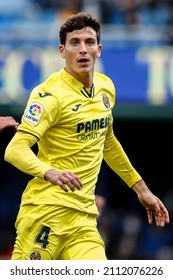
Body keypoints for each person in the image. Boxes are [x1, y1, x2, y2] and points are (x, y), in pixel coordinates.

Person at [4, 12, 169, 260]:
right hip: (45, 213)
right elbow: (14, 150)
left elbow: (108, 142)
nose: (83, 49)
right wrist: (50, 172)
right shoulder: (49, 96)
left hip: (83, 220)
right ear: (62, 50)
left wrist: (141, 190)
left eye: (89, 42)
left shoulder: (105, 88)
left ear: (99, 49)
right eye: (75, 43)